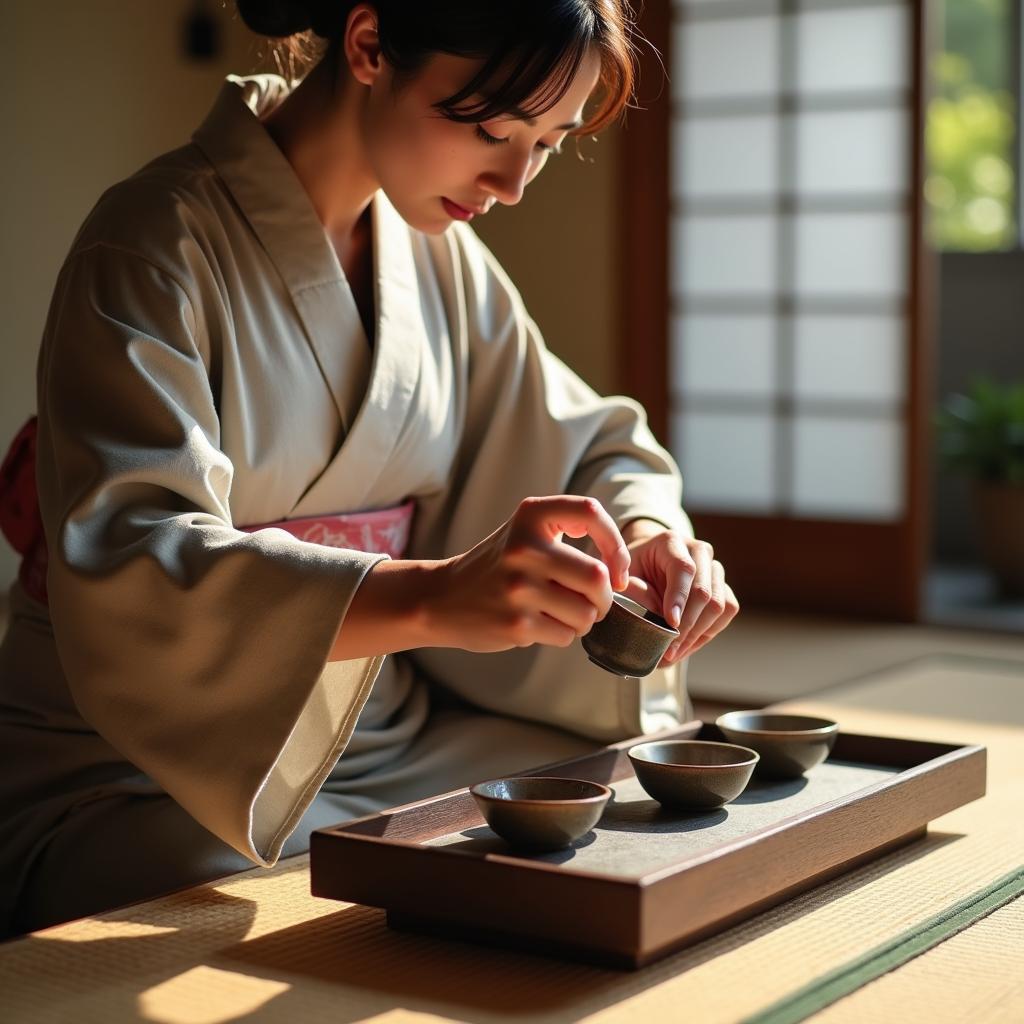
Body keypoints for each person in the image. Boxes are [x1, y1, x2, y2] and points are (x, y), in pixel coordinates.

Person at [0, 0, 738, 938]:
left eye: (549, 143)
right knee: (247, 909)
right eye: (493, 128)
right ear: (368, 44)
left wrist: (648, 536)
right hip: (146, 763)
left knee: (609, 796)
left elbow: (586, 441)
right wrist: (430, 598)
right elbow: (137, 555)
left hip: (385, 732)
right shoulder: (154, 241)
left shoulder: (444, 263)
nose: (514, 181)